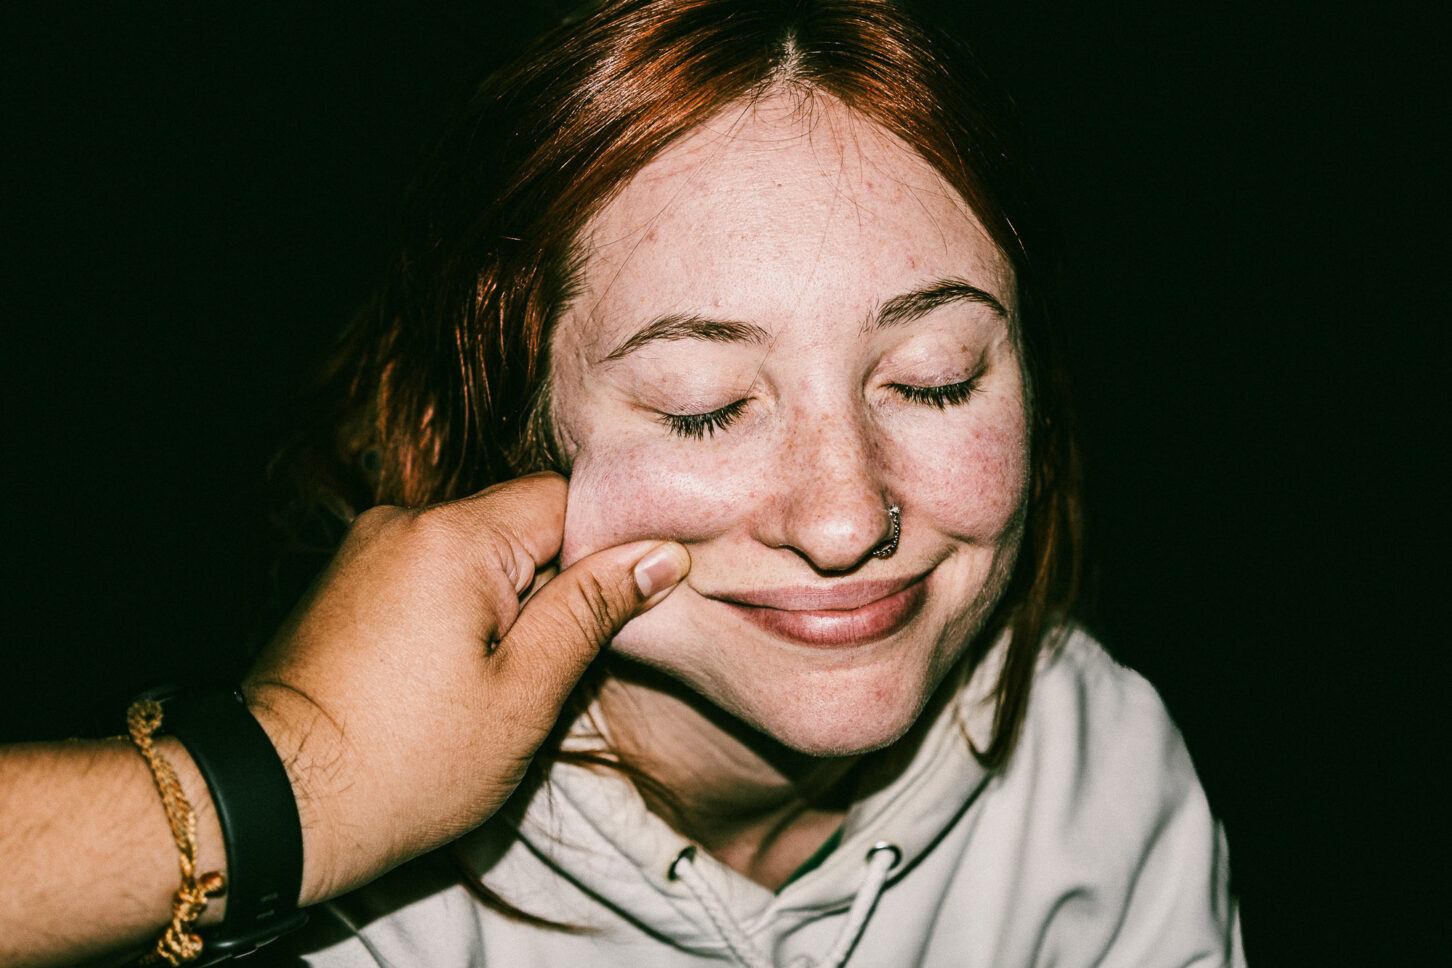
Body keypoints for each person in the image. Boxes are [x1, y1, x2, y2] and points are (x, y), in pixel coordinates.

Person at [0, 1, 1244, 966]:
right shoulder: (369, 912)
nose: (847, 513)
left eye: (933, 377)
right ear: (515, 448)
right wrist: (291, 787)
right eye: (704, 407)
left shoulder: (1106, 769)